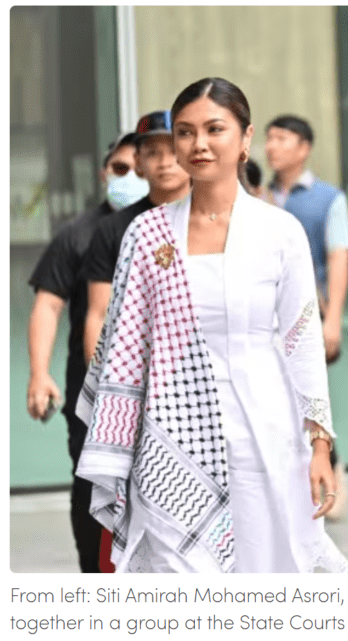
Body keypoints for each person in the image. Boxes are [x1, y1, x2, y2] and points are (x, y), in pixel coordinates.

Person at [75, 77, 348, 573]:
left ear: (244, 140)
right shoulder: (147, 232)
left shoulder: (278, 231)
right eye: (185, 131)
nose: (198, 143)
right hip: (168, 439)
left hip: (264, 430)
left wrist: (321, 445)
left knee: (265, 572)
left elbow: (301, 339)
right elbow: (125, 345)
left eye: (214, 129)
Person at [26, 131, 141, 573]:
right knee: (92, 489)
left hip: (160, 393)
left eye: (139, 166)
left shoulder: (176, 228)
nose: (130, 176)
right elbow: (48, 306)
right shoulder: (77, 234)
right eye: (120, 168)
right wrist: (40, 373)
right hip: (89, 392)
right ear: (103, 173)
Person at [265, 114, 348, 519]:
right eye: (269, 139)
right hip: (264, 318)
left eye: (282, 139)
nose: (272, 147)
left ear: (304, 148)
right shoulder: (255, 195)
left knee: (311, 395)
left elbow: (338, 257)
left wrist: (332, 319)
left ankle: (330, 476)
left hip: (307, 316)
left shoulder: (328, 198)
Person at [82, 110, 192, 363]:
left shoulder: (213, 219)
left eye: (174, 150)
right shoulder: (114, 228)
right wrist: (98, 387)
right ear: (139, 163)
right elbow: (99, 314)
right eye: (152, 152)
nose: (165, 162)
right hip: (137, 367)